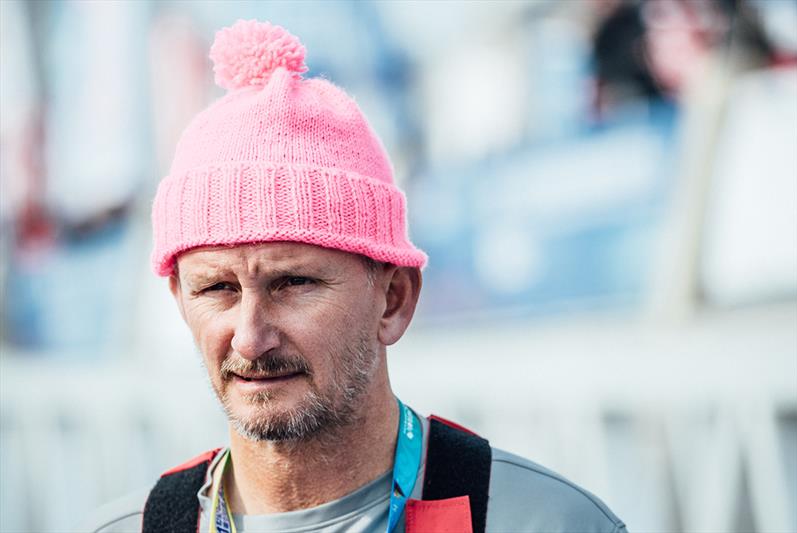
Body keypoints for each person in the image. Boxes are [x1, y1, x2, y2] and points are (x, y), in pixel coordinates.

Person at [81, 19, 627, 533]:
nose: (250, 336)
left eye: (293, 284)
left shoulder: (540, 521)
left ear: (393, 299)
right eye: (217, 289)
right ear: (179, 300)